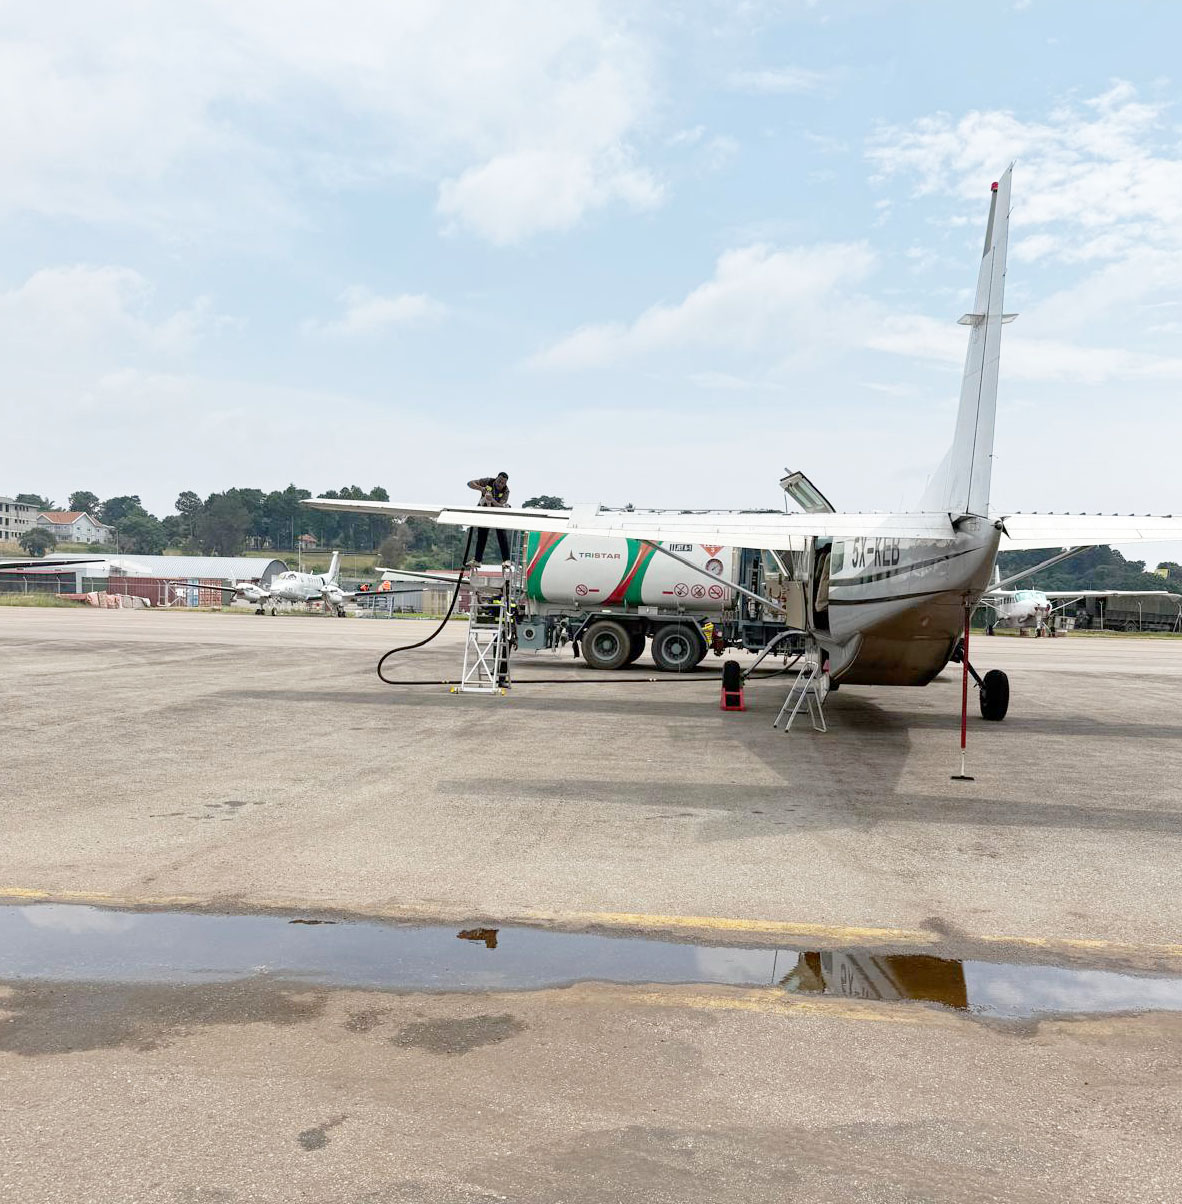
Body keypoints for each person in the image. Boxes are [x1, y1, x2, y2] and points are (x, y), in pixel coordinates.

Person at [467, 471, 512, 567]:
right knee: (482, 535)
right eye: (499, 481)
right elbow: (470, 483)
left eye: (503, 483)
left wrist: (492, 500)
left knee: (502, 534)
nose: (500, 484)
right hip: (484, 512)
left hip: (497, 514)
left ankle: (506, 560)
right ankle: (478, 560)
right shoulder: (488, 481)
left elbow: (501, 506)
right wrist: (481, 489)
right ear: (496, 478)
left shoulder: (506, 491)